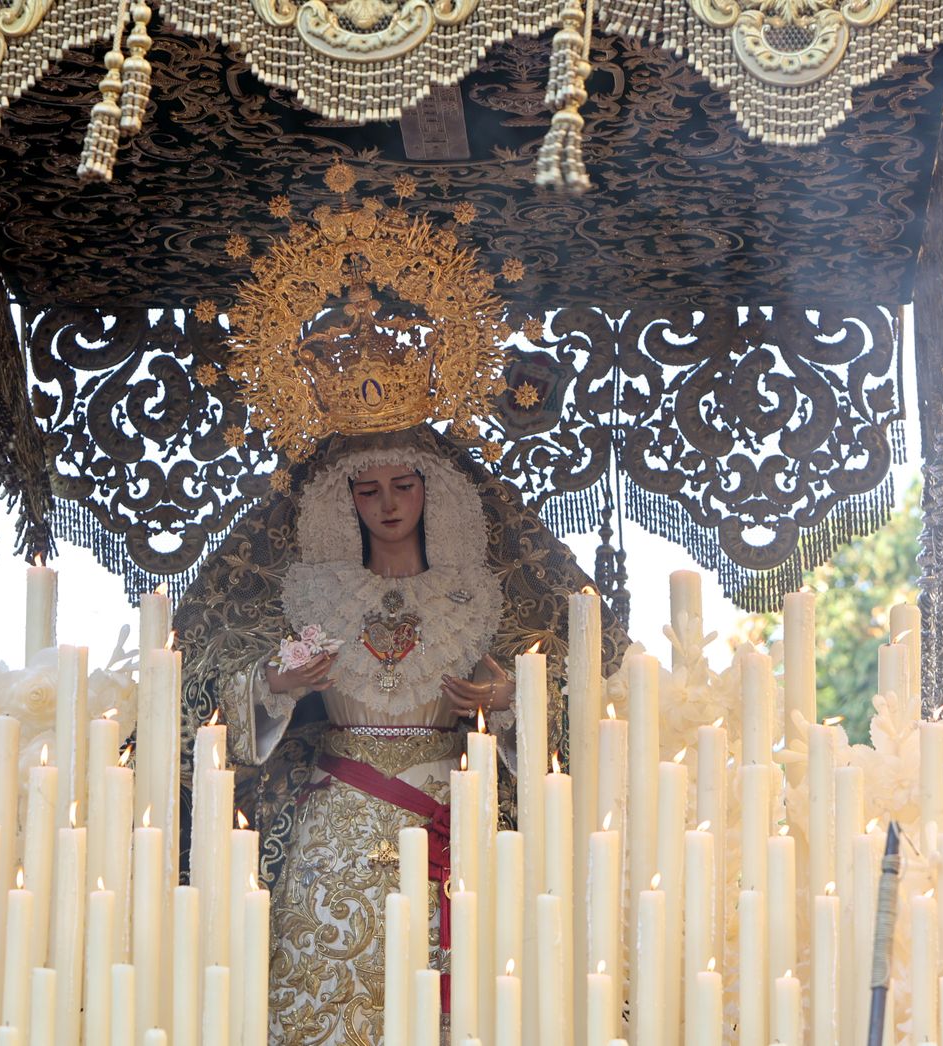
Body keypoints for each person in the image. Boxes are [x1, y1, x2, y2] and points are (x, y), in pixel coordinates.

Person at [175, 425, 629, 1044]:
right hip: (332, 825)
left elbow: (558, 716)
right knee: (321, 972)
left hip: (449, 806)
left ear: (431, 490)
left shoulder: (473, 597)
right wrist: (276, 683)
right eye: (368, 491)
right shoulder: (315, 593)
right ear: (345, 502)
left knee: (456, 972)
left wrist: (507, 699)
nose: (387, 505)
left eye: (403, 486)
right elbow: (207, 697)